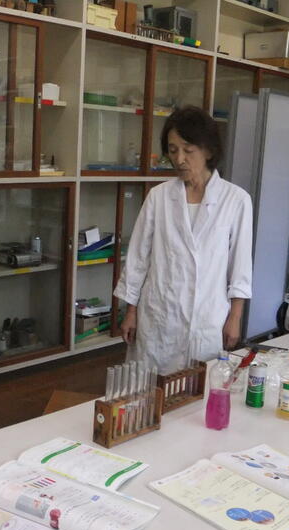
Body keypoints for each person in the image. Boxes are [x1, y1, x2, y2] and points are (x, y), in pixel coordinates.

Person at [114, 106, 253, 375]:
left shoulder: (236, 200)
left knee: (196, 388)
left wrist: (234, 318)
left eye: (188, 150)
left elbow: (240, 267)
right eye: (173, 150)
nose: (179, 159)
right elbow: (138, 259)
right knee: (148, 388)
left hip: (206, 317)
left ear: (208, 151)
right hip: (159, 315)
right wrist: (131, 312)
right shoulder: (159, 197)